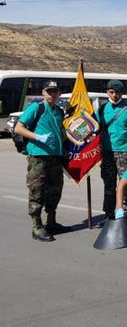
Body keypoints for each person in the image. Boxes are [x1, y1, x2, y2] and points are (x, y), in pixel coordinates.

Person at [14, 80, 68, 242]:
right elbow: (18, 128)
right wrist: (38, 137)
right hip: (38, 156)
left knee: (55, 189)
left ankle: (51, 222)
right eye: (49, 91)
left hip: (55, 157)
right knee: (37, 190)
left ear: (59, 93)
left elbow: (62, 131)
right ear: (44, 92)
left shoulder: (59, 111)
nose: (52, 94)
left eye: (55, 91)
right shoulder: (37, 108)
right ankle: (36, 226)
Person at [97, 79, 127, 225]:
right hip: (107, 152)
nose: (114, 95)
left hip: (125, 152)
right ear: (107, 92)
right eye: (111, 92)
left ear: (122, 93)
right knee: (109, 184)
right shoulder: (102, 109)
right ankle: (109, 214)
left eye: (117, 92)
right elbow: (95, 128)